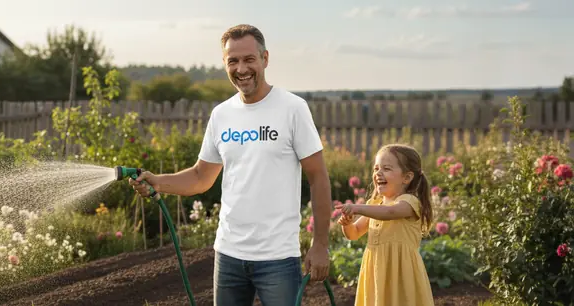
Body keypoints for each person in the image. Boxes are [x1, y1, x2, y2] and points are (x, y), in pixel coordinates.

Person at [129, 24, 332, 305]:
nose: (241, 68)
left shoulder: (292, 108)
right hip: (229, 257)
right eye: (232, 61)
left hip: (278, 258)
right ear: (225, 64)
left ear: (265, 59)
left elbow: (318, 177)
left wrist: (320, 244)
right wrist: (158, 181)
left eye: (249, 59)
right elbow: (201, 176)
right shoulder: (222, 114)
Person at [335, 144, 435, 306]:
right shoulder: (374, 203)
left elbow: (390, 213)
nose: (378, 173)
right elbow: (354, 233)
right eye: (376, 169)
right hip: (376, 270)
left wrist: (357, 207)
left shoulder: (409, 202)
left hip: (401, 272)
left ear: (407, 177)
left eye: (386, 168)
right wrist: (347, 224)